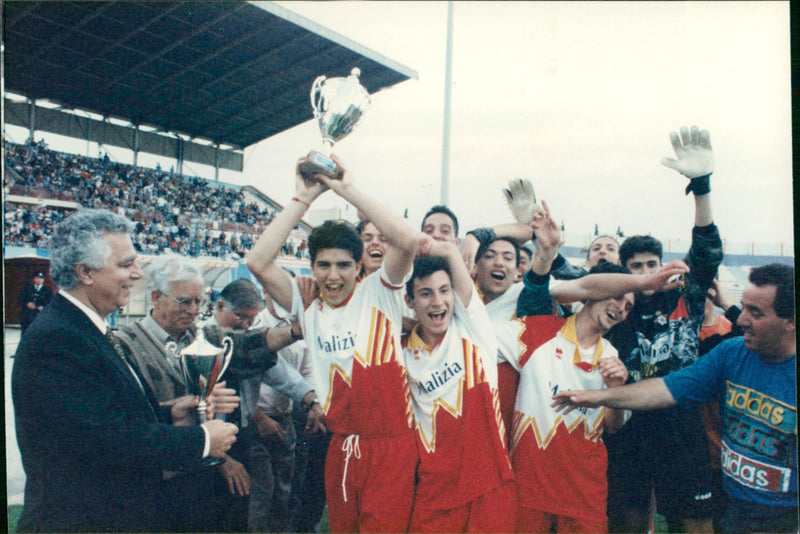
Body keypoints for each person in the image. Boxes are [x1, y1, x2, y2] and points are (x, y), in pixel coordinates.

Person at [11, 209, 238, 533]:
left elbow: (101, 418)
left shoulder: (82, 329)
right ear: (86, 273)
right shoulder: (58, 338)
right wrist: (200, 441)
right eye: (125, 263)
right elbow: (106, 441)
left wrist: (170, 416)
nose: (136, 273)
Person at [552, 264, 797, 534]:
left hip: (785, 517)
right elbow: (665, 388)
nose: (740, 320)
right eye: (744, 307)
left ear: (790, 321)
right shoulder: (732, 353)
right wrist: (598, 396)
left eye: (756, 313)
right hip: (734, 507)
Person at [247, 154, 419, 532]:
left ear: (359, 267)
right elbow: (258, 262)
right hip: (341, 445)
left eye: (344, 265)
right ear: (312, 267)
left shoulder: (379, 293)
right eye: (323, 265)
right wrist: (302, 198)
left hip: (390, 446)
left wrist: (345, 188)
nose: (333, 275)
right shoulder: (307, 304)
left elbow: (408, 240)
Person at [512, 204, 689, 532]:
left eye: (627, 305)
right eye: (616, 296)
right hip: (530, 488)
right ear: (593, 296)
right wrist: (547, 250)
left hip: (584, 492)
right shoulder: (540, 332)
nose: (620, 306)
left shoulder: (614, 359)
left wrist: (613, 392)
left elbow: (614, 426)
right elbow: (535, 289)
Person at [591, 125, 722, 533]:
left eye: (653, 264)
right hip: (629, 424)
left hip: (680, 421)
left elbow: (706, 250)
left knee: (694, 523)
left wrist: (701, 187)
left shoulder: (685, 293)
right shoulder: (615, 308)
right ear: (624, 274)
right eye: (636, 267)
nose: (648, 273)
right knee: (627, 521)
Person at [114, 256, 287, 531]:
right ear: (156, 297)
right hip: (156, 482)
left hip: (201, 478)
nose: (194, 310)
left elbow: (251, 343)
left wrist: (296, 331)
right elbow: (130, 418)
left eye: (199, 301)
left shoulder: (203, 337)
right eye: (185, 301)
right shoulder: (124, 345)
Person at [402, 238, 516, 532]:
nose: (438, 301)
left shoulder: (472, 328)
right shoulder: (400, 351)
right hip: (435, 489)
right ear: (410, 301)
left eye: (444, 291)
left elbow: (453, 253)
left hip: (489, 483)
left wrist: (437, 246)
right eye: (425, 293)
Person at [16, 270, 53, 334]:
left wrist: (43, 308)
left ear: (43, 280)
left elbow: (51, 303)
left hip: (40, 316)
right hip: (27, 315)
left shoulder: (48, 290)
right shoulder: (27, 288)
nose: (39, 280)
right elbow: (20, 299)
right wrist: (27, 304)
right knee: (25, 333)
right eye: (37, 278)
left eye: (41, 278)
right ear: (33, 279)